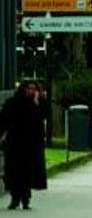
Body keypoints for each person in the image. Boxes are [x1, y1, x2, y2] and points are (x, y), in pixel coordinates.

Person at [0, 81, 49, 210]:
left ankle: (25, 199)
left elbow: (43, 116)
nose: (31, 91)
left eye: (34, 89)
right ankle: (15, 198)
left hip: (32, 144)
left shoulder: (38, 103)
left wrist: (38, 102)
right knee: (14, 171)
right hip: (15, 142)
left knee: (28, 171)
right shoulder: (14, 102)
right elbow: (4, 119)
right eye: (29, 88)